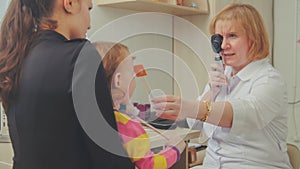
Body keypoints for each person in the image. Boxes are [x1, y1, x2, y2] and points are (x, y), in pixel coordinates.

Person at [152, 3, 293, 169]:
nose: (224, 45)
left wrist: (190, 107)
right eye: (219, 37)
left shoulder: (269, 80)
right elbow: (194, 124)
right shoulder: (223, 76)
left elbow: (242, 114)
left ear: (254, 39)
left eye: (232, 36)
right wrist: (211, 91)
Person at [0, 0, 135, 169]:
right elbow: (108, 158)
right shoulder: (80, 56)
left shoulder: (15, 58)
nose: (90, 23)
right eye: (89, 8)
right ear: (69, 3)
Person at [93, 41, 186, 169]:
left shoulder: (89, 119)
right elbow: (149, 165)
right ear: (118, 81)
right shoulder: (128, 126)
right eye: (132, 74)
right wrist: (174, 149)